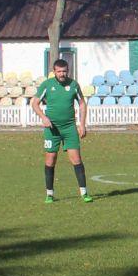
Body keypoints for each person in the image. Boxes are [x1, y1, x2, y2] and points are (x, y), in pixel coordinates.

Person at [30, 58, 93, 203]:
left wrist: (82, 124)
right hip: (52, 129)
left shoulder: (73, 85)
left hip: (69, 128)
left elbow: (82, 104)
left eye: (64, 71)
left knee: (76, 159)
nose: (62, 74)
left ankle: (84, 193)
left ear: (68, 71)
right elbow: (34, 103)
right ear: (54, 72)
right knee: (50, 159)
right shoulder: (47, 85)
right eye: (59, 71)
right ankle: (49, 194)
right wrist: (43, 117)